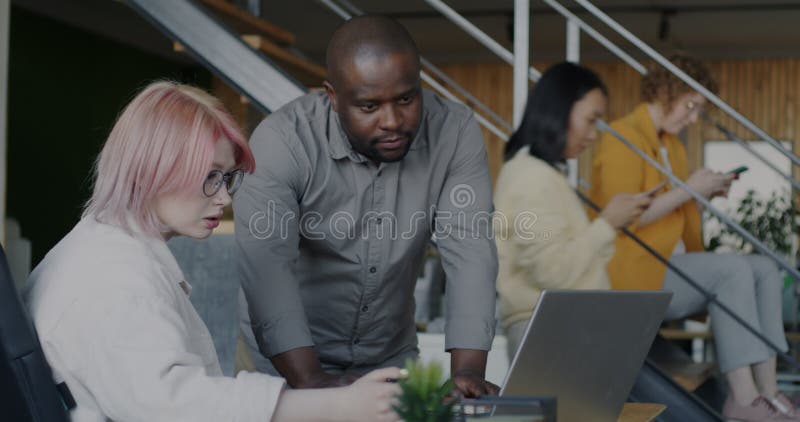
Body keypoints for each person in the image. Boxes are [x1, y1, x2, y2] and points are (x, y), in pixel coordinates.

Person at [24, 81, 402, 422]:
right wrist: (338, 407)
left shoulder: (108, 254)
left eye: (227, 179)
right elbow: (176, 405)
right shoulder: (111, 279)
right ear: (153, 169)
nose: (223, 197)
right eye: (210, 177)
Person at [234, 15, 499, 397]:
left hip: (387, 362)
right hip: (282, 364)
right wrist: (310, 379)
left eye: (406, 99)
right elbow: (267, 267)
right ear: (333, 97)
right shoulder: (282, 141)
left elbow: (470, 250)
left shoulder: (454, 132)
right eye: (369, 106)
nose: (392, 121)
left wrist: (469, 371)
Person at [590, 55, 797, 422]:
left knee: (764, 267)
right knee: (732, 270)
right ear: (666, 92)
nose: (694, 117)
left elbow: (675, 218)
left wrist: (701, 195)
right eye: (691, 105)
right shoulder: (622, 137)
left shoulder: (674, 146)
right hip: (632, 273)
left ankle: (769, 390)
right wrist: (690, 189)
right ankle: (742, 397)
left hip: (671, 264)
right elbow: (624, 218)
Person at [494, 62, 652, 361]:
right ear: (560, 110)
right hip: (549, 332)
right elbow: (552, 272)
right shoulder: (532, 177)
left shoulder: (540, 174)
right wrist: (607, 224)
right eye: (591, 120)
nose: (594, 135)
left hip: (559, 328)